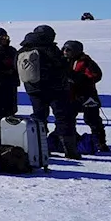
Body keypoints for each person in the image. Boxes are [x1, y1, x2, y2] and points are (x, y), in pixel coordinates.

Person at [17, 25, 80, 159]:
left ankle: (41, 148)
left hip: (33, 89)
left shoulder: (24, 48)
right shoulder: (50, 49)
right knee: (63, 117)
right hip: (56, 90)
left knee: (39, 118)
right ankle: (70, 151)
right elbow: (62, 66)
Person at [63, 40, 109, 152]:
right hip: (71, 96)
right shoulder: (63, 61)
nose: (65, 52)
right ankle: (72, 140)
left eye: (68, 50)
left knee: (92, 120)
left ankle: (100, 142)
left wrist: (80, 78)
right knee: (67, 118)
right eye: (64, 49)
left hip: (87, 96)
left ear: (76, 51)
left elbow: (96, 75)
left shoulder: (86, 62)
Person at [0, 28, 20, 119]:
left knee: (11, 102)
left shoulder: (11, 50)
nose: (6, 39)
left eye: (6, 37)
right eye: (3, 38)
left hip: (10, 81)